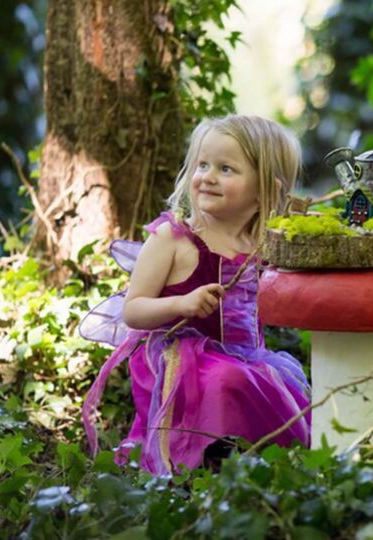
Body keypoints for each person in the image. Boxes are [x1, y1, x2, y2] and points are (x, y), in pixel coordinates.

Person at [79, 115, 311, 475]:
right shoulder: (172, 239)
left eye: (226, 168)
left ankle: (261, 464)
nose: (208, 176)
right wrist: (181, 304)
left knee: (275, 388)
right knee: (225, 380)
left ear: (264, 189)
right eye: (202, 164)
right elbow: (133, 311)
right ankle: (203, 466)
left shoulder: (261, 245)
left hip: (248, 357)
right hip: (181, 358)